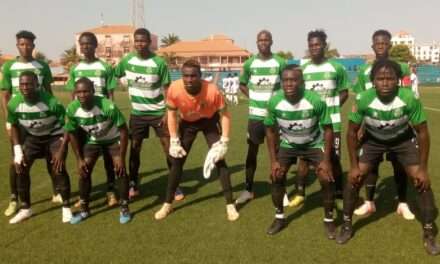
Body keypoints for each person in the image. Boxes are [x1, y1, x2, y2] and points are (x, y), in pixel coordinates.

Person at [336, 59, 440, 256]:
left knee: (421, 181)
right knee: (353, 179)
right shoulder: (363, 99)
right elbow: (351, 133)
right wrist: (354, 165)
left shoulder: (409, 98)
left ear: (398, 80)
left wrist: (424, 169)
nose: (385, 83)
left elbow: (423, 133)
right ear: (373, 81)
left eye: (390, 78)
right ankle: (347, 225)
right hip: (373, 140)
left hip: (403, 140)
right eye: (380, 78)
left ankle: (429, 233)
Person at [154, 60, 239, 221]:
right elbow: (172, 114)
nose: (189, 79)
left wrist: (224, 141)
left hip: (209, 122)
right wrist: (173, 139)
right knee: (177, 161)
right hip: (188, 124)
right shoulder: (174, 88)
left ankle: (230, 204)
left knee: (219, 159)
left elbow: (225, 115)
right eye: (186, 76)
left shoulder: (212, 90)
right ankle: (167, 204)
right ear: (182, 76)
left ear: (200, 76)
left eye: (193, 76)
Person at [264, 65, 336, 238]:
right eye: (285, 80)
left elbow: (328, 129)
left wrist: (326, 160)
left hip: (313, 144)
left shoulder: (316, 101)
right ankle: (279, 217)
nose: (289, 84)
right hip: (288, 145)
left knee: (326, 179)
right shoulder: (274, 101)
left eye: (294, 80)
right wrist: (273, 160)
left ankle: (329, 220)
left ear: (302, 82)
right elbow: (270, 131)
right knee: (276, 176)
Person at [115, 28, 184, 201]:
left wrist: (168, 112)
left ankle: (175, 185)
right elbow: (113, 75)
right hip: (137, 113)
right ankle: (133, 183)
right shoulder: (127, 61)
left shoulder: (159, 63)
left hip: (159, 112)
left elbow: (168, 88)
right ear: (134, 42)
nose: (140, 44)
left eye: (143, 41)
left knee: (168, 148)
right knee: (135, 149)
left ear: (149, 42)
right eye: (137, 41)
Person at [352, 30, 414, 219]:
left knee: (399, 164)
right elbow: (359, 101)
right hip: (372, 126)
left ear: (390, 45)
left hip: (398, 126)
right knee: (371, 164)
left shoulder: (402, 68)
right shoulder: (364, 71)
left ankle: (402, 203)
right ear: (373, 46)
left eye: (384, 43)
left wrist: (410, 125)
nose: (381, 46)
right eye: (377, 44)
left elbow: (408, 97)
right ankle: (369, 202)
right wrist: (361, 127)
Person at [1, 30, 60, 217]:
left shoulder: (42, 66)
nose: (25, 47)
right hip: (19, 120)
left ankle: (57, 192)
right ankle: (14, 199)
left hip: (40, 119)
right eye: (21, 44)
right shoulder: (9, 66)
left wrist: (52, 114)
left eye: (28, 44)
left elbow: (49, 91)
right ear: (17, 45)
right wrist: (8, 121)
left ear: (34, 46)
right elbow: (5, 95)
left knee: (51, 157)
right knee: (17, 161)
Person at [290, 29, 348, 207]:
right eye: (311, 45)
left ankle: (337, 192)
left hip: (332, 122)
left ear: (324, 45)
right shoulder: (303, 69)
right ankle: (300, 192)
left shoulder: (337, 68)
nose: (314, 47)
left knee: (334, 158)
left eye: (317, 44)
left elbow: (344, 92)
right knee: (304, 158)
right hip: (310, 124)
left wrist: (330, 109)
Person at [7, 71, 72, 224]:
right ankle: (25, 208)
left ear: (37, 84)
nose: (25, 87)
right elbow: (14, 125)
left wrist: (62, 149)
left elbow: (68, 126)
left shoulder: (51, 102)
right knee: (20, 166)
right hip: (33, 138)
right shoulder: (14, 104)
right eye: (22, 84)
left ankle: (66, 207)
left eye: (29, 83)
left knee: (58, 167)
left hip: (54, 136)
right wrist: (17, 150)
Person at [65, 78, 131, 224]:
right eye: (79, 92)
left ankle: (124, 207)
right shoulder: (72, 109)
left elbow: (124, 131)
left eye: (86, 91)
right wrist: (79, 159)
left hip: (113, 140)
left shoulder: (108, 106)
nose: (82, 95)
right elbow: (72, 133)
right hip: (93, 141)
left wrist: (121, 156)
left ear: (93, 91)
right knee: (84, 170)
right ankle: (84, 210)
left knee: (120, 169)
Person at [66, 31, 118, 207]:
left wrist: (110, 118)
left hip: (102, 119)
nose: (85, 46)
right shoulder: (75, 69)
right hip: (82, 120)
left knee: (109, 158)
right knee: (82, 157)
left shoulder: (105, 67)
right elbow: (73, 95)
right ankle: (84, 195)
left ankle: (111, 191)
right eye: (82, 44)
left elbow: (111, 94)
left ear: (96, 46)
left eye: (88, 44)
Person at [236, 30, 287, 204]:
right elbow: (242, 84)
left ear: (271, 42)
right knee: (252, 152)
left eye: (266, 40)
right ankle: (248, 189)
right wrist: (255, 97)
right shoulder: (250, 63)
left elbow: (288, 83)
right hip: (255, 116)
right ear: (256, 43)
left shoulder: (280, 62)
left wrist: (279, 101)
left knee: (278, 153)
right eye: (260, 40)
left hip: (275, 116)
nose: (263, 42)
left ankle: (281, 189)